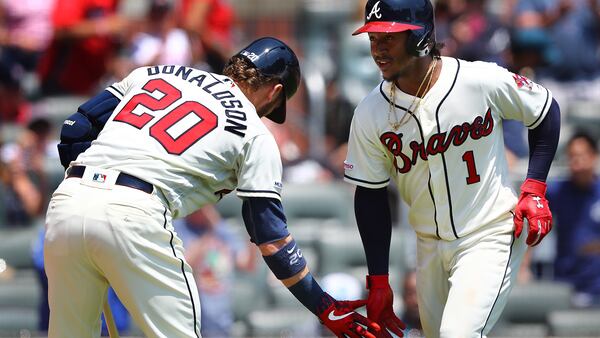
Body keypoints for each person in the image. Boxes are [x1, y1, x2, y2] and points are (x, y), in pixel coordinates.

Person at [44, 36, 380, 338]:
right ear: (275, 92)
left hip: (68, 201)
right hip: (134, 213)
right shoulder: (255, 133)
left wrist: (89, 191)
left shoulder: (156, 73)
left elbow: (76, 127)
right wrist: (324, 307)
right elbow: (272, 241)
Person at [345, 0, 561, 337]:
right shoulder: (371, 112)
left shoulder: (478, 79)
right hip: (428, 246)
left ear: (420, 37)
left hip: (488, 232)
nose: (378, 49)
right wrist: (379, 280)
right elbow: (370, 195)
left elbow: (545, 110)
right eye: (373, 39)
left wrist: (534, 187)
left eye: (389, 37)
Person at [177, 205, 257, 337]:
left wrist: (254, 235)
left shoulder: (223, 231)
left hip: (221, 322)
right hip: (190, 321)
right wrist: (209, 232)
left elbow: (247, 265)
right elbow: (184, 265)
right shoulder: (177, 227)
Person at [547, 132, 600, 308]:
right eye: (572, 158)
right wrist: (524, 266)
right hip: (564, 283)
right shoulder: (558, 191)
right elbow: (531, 224)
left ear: (594, 157)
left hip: (597, 285)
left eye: (581, 157)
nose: (576, 164)